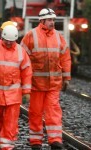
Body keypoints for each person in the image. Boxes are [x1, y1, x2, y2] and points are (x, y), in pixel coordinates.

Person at [20, 8, 71, 150]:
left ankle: (55, 140)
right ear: (41, 21)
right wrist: (24, 82)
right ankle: (36, 142)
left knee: (54, 112)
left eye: (53, 20)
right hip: (36, 85)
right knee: (35, 113)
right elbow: (22, 60)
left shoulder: (59, 37)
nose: (52, 22)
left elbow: (65, 57)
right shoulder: (31, 36)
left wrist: (66, 77)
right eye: (49, 20)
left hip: (53, 85)